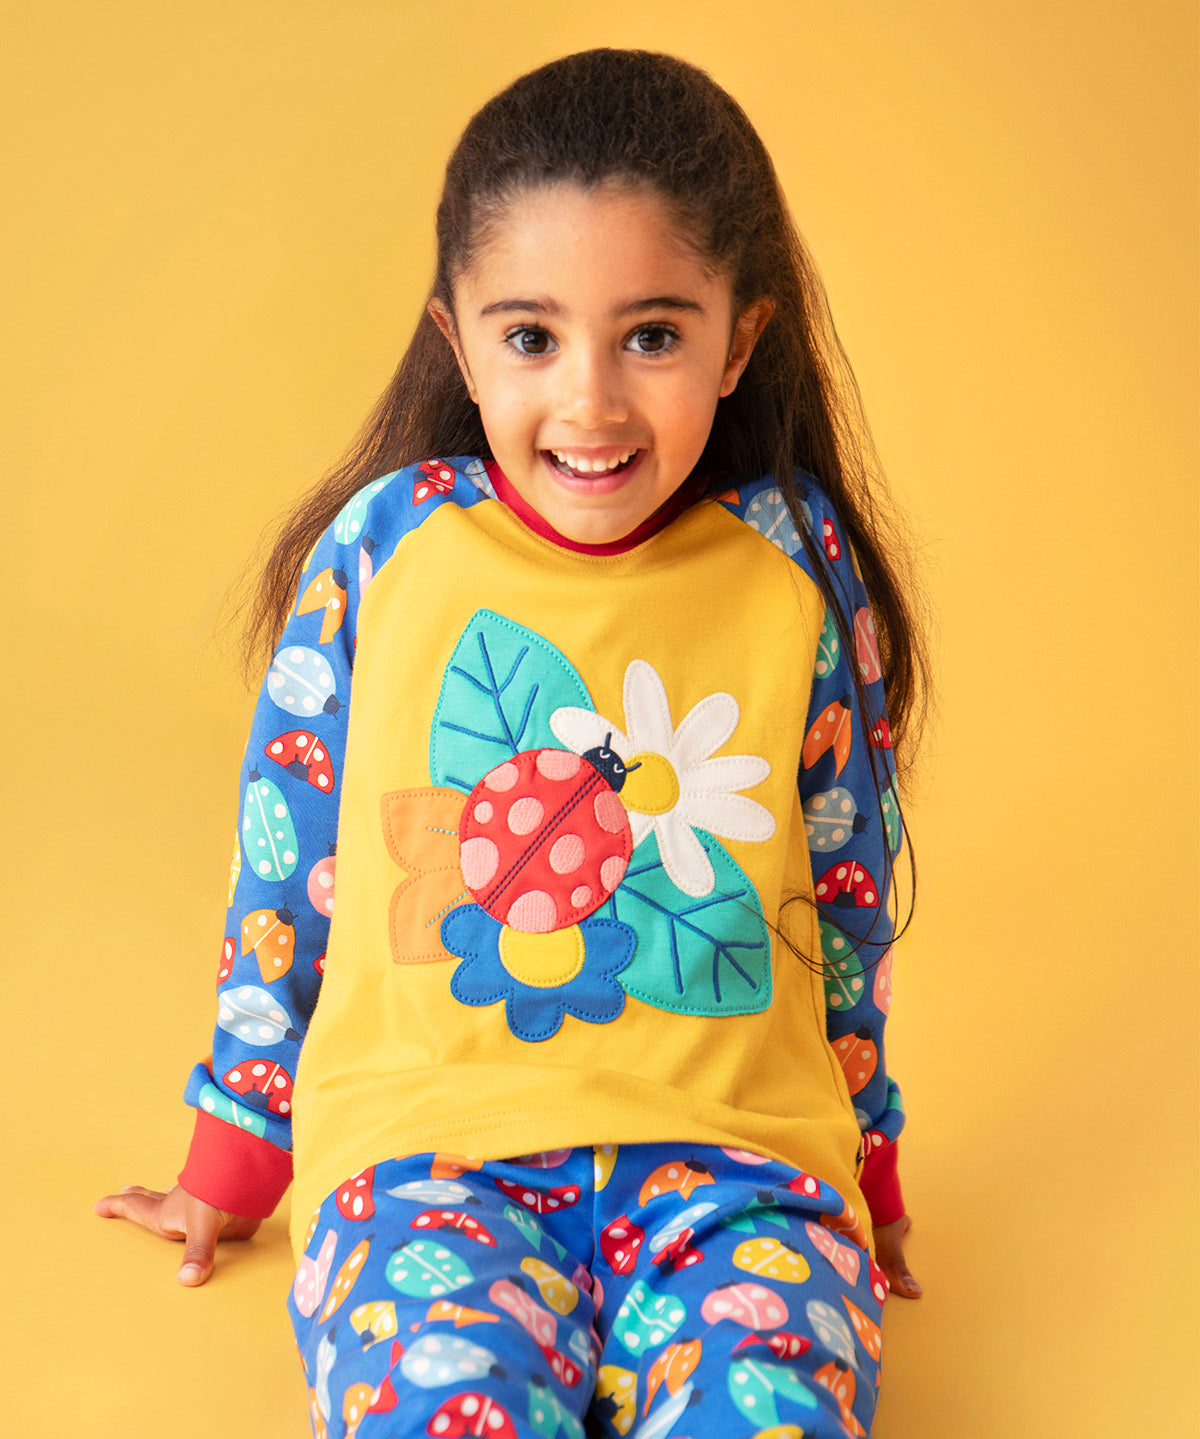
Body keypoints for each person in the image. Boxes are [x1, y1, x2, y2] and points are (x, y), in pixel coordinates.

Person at [95, 47, 929, 1439]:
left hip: (746, 1178)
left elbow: (844, 900)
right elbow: (288, 865)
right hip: (427, 1169)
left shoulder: (797, 564)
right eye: (532, 337)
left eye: (653, 335)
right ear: (457, 336)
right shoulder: (389, 549)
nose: (591, 402)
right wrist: (236, 1155)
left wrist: (874, 1163)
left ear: (741, 337)